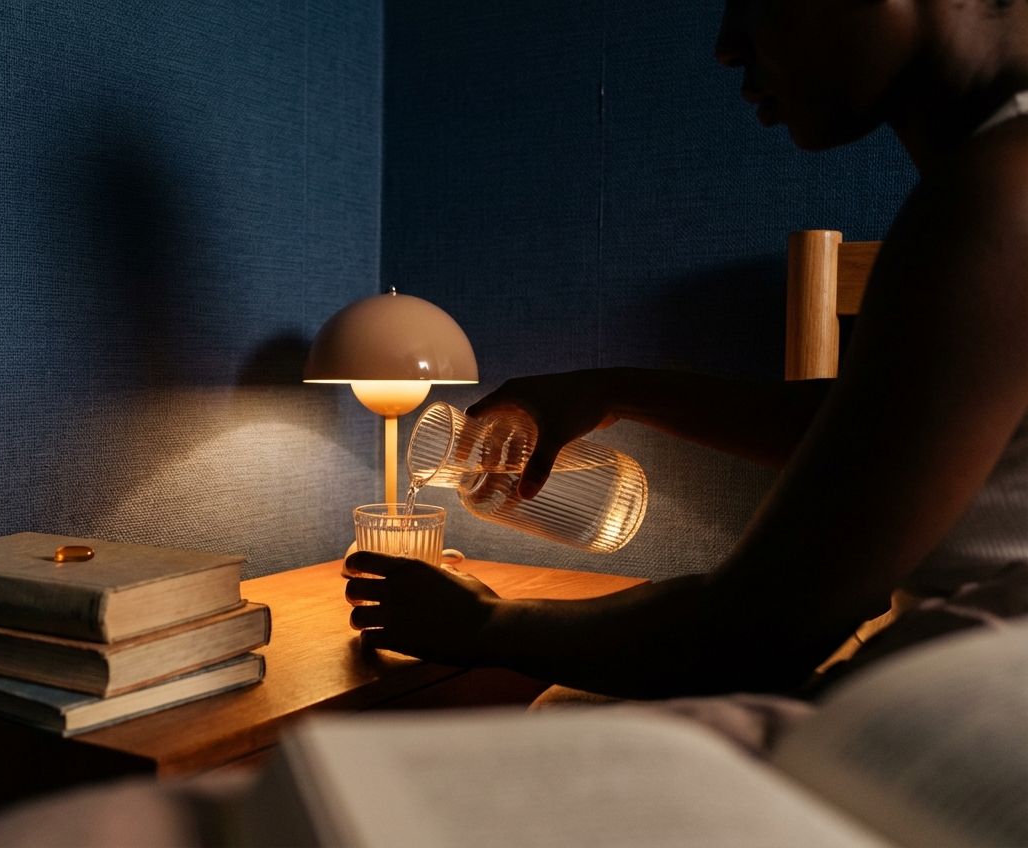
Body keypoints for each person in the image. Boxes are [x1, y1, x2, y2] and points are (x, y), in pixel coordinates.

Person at [344, 0, 1028, 699]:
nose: (727, 47)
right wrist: (616, 388)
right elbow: (882, 432)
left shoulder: (999, 196)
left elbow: (752, 632)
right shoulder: (996, 176)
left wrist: (486, 624)